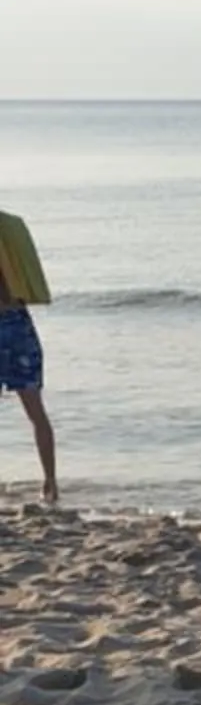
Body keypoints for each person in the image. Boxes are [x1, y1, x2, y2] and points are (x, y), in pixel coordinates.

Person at [0, 206, 57, 502]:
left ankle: (50, 482)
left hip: (9, 327)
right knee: (36, 412)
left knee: (36, 413)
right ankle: (50, 483)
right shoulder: (12, 230)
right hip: (18, 323)